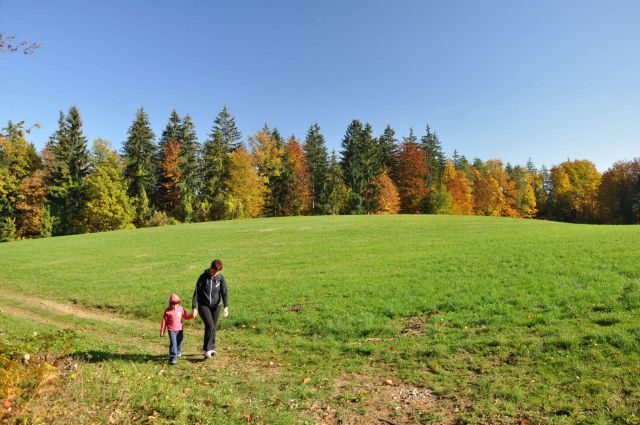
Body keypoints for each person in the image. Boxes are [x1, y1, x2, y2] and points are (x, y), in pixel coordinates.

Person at [192, 259, 229, 359]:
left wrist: (226, 307)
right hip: (204, 305)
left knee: (213, 327)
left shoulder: (220, 278)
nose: (215, 273)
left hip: (216, 306)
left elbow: (224, 293)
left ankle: (211, 347)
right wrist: (194, 307)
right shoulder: (203, 277)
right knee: (210, 325)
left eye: (217, 272)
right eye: (213, 271)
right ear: (210, 268)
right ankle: (208, 349)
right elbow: (196, 292)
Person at [160, 293, 194, 364]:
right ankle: (173, 357)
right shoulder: (167, 311)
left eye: (176, 304)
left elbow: (186, 316)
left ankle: (178, 352)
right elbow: (164, 322)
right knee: (173, 343)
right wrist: (162, 331)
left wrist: (192, 315)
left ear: (178, 303)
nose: (174, 306)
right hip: (171, 330)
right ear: (170, 304)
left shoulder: (181, 309)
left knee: (179, 341)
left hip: (180, 329)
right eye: (173, 304)